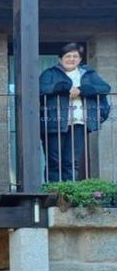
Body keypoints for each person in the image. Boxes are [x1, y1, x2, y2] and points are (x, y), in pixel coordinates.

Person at [39, 42, 111, 182]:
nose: (71, 59)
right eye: (68, 56)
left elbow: (104, 88)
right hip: (54, 123)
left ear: (79, 59)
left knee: (71, 162)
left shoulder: (89, 74)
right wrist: (64, 89)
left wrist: (81, 90)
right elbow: (40, 89)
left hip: (79, 122)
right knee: (54, 162)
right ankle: (53, 195)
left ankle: (69, 197)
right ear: (60, 58)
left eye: (75, 56)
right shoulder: (50, 73)